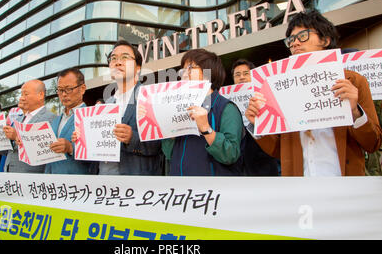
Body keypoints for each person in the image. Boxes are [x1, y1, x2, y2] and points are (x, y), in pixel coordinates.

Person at [245, 10, 382, 176]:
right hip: (301, 191)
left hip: (344, 190)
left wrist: (355, 112)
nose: (294, 43)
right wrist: (257, 125)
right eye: (290, 40)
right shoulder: (280, 88)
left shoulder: (353, 82)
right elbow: (279, 150)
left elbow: (373, 143)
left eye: (302, 36)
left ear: (325, 39)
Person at [72, 40, 163, 175]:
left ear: (138, 67)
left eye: (125, 57)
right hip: (103, 184)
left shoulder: (149, 98)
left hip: (134, 185)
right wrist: (82, 140)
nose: (118, 62)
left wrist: (132, 138)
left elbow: (159, 145)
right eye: (113, 58)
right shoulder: (106, 105)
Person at [160, 49, 243, 176]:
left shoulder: (226, 108)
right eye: (182, 70)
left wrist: (206, 128)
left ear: (208, 72)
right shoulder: (178, 107)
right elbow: (168, 153)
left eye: (190, 68)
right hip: (180, 191)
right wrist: (170, 135)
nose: (184, 74)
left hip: (212, 193)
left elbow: (231, 154)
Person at [231, 59, 280, 176]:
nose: (241, 77)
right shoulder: (228, 102)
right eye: (237, 75)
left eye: (246, 73)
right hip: (238, 166)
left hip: (264, 165)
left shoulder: (267, 98)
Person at [45, 68, 96, 174]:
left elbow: (98, 156)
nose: (63, 94)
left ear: (82, 89)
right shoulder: (55, 120)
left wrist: (70, 148)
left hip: (79, 185)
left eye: (68, 89)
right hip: (53, 185)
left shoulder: (92, 117)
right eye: (60, 90)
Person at [2, 80, 56, 173]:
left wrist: (16, 136)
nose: (21, 98)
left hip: (31, 176)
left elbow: (45, 150)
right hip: (10, 173)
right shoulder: (18, 120)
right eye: (21, 94)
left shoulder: (51, 119)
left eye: (25, 94)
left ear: (40, 95)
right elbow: (8, 151)